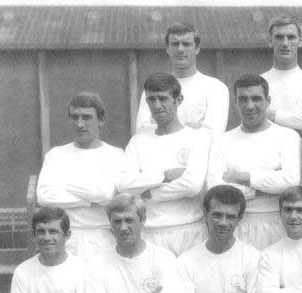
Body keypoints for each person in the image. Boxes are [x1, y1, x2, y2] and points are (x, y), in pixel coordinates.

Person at [119, 73, 210, 256]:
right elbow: (124, 185)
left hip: (189, 230)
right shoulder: (138, 141)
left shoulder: (198, 138)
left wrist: (148, 193)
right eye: (151, 99)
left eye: (163, 99)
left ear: (178, 100)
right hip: (150, 232)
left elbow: (192, 186)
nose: (157, 105)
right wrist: (165, 176)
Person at [207, 74, 301, 250]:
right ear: (235, 103)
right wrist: (262, 192)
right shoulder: (222, 140)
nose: (249, 106)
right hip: (236, 225)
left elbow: (290, 181)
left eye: (256, 99)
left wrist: (243, 178)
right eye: (243, 99)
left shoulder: (287, 137)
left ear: (268, 101)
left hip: (276, 224)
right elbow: (215, 188)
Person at [36, 92, 123, 257]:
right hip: (66, 239)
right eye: (74, 117)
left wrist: (64, 185)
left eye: (87, 117)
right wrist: (88, 201)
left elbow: (105, 194)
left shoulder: (115, 155)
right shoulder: (56, 155)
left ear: (101, 121)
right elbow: (44, 196)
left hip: (103, 239)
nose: (80, 124)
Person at [136, 22, 229, 135]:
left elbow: (213, 134)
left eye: (186, 44)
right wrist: (193, 127)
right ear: (167, 49)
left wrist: (161, 128)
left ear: (197, 49)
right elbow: (141, 131)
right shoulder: (154, 88)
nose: (180, 49)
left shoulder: (216, 88)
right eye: (175, 44)